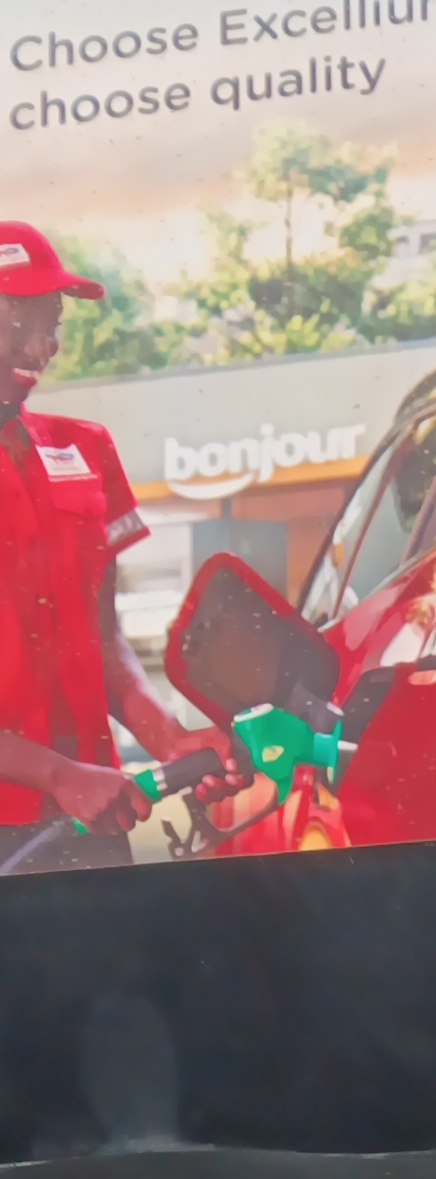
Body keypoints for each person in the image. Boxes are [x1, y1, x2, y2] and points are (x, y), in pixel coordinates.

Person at [0, 222, 232, 856]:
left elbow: (102, 638)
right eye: (19, 320)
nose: (43, 345)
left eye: (52, 323)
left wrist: (169, 741)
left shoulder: (85, 448)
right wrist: (57, 775)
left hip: (93, 816)